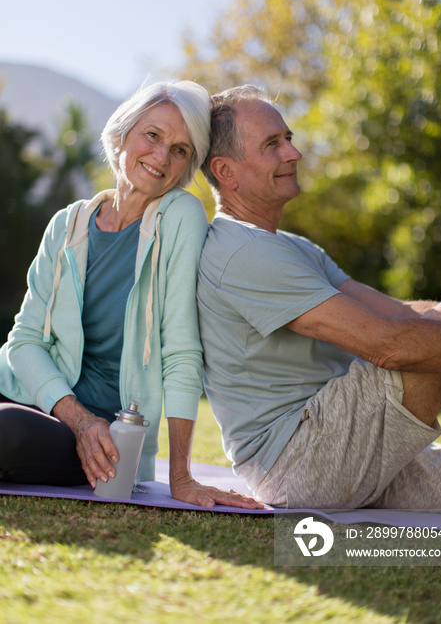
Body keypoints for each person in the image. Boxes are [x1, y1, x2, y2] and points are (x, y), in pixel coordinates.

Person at [197, 84, 441, 511]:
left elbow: (397, 314)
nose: (293, 153)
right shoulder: (240, 251)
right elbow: (388, 344)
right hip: (301, 460)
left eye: (288, 138)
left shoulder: (292, 247)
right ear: (226, 172)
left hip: (342, 443)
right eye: (272, 144)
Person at [0, 79, 259, 510]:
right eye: (153, 135)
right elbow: (23, 342)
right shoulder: (68, 224)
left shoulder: (180, 217)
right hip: (41, 400)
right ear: (122, 133)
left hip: (105, 437)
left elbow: (180, 349)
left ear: (186, 167)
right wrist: (77, 418)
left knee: (8, 432)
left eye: (180, 150)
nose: (161, 156)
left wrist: (181, 477)